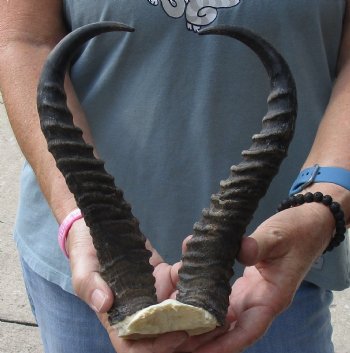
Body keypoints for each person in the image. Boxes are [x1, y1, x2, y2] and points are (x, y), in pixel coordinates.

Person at [0, 1, 349, 352]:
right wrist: (78, 218)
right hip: (93, 270)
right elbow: (24, 38)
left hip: (275, 270)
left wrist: (326, 201)